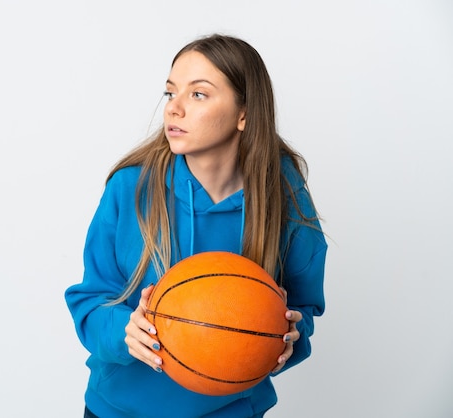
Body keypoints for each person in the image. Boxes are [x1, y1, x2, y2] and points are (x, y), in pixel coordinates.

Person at [65, 33, 327, 418]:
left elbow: (301, 308)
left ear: (245, 114)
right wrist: (126, 331)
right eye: (171, 93)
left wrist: (289, 338)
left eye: (198, 94)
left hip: (234, 411)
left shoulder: (282, 192)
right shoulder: (130, 188)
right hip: (118, 410)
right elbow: (89, 303)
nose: (174, 109)